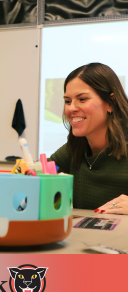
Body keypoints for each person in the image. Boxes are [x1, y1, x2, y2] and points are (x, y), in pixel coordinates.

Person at [50, 62, 128, 214]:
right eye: (67, 101)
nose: (71, 108)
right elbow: (38, 180)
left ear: (111, 103)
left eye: (82, 99)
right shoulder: (72, 149)